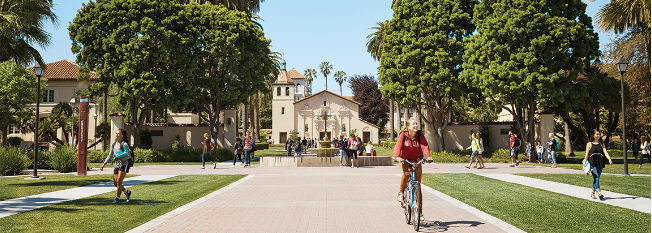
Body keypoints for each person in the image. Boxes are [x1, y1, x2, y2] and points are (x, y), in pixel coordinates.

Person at [394, 118, 433, 222]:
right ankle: (401, 192)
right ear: (408, 127)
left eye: (416, 124)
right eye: (413, 124)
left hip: (416, 160)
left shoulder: (420, 135)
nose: (416, 125)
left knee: (418, 186)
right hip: (404, 160)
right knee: (406, 173)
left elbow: (424, 146)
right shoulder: (403, 135)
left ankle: (419, 213)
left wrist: (428, 157)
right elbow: (397, 146)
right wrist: (397, 157)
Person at [100, 129, 133, 204]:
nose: (117, 135)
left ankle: (117, 198)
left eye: (119, 133)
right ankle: (126, 192)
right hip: (116, 165)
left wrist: (121, 158)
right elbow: (110, 155)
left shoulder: (124, 144)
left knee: (119, 182)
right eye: (116, 133)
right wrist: (104, 164)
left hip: (124, 164)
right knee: (116, 183)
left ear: (122, 135)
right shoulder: (113, 144)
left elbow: (128, 155)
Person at [582, 129, 613, 200]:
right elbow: (586, 155)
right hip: (592, 163)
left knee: (597, 178)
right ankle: (599, 193)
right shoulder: (589, 144)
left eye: (599, 134)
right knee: (596, 177)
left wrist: (609, 159)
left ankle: (592, 192)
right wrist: (584, 165)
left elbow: (605, 152)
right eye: (596, 134)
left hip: (600, 162)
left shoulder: (601, 143)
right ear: (593, 135)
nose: (598, 135)